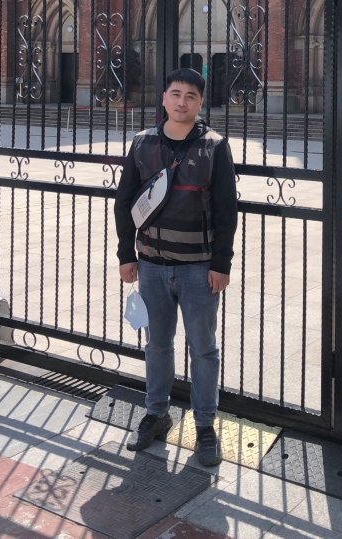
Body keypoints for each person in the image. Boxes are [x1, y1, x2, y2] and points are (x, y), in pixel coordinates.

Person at [114, 68, 238, 466]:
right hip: (151, 265)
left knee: (203, 348)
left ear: (200, 102)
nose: (182, 101)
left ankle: (204, 425)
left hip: (199, 268)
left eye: (191, 96)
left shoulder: (214, 146)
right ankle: (156, 414)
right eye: (175, 93)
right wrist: (126, 254)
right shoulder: (142, 143)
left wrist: (221, 263)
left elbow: (226, 209)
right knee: (157, 345)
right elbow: (124, 201)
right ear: (164, 98)